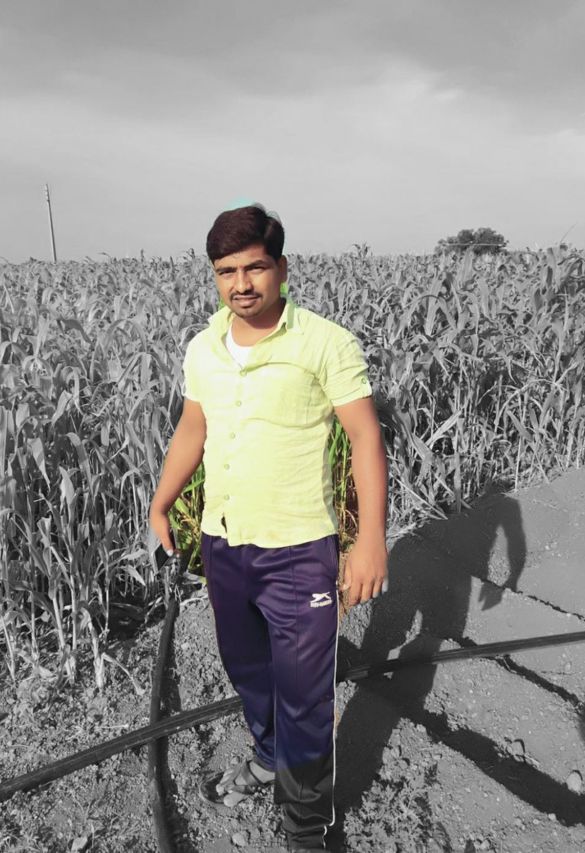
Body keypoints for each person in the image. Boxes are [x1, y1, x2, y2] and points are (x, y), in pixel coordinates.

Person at [149, 203, 389, 852]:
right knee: (248, 670)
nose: (241, 283)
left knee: (305, 694)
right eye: (226, 271)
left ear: (282, 268)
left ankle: (305, 828)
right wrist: (160, 503)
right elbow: (192, 429)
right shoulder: (203, 348)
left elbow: (365, 437)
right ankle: (266, 752)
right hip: (225, 545)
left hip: (299, 552)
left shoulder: (325, 343)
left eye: (255, 267)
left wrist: (369, 539)